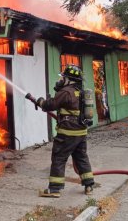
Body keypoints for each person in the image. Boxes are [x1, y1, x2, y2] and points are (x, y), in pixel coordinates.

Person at [35, 64, 94, 198]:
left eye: (64, 77)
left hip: (67, 132)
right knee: (82, 158)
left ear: (69, 79)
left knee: (59, 158)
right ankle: (89, 185)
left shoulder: (66, 91)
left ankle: (55, 189)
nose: (62, 80)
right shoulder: (81, 92)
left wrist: (41, 102)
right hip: (81, 133)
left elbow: (50, 105)